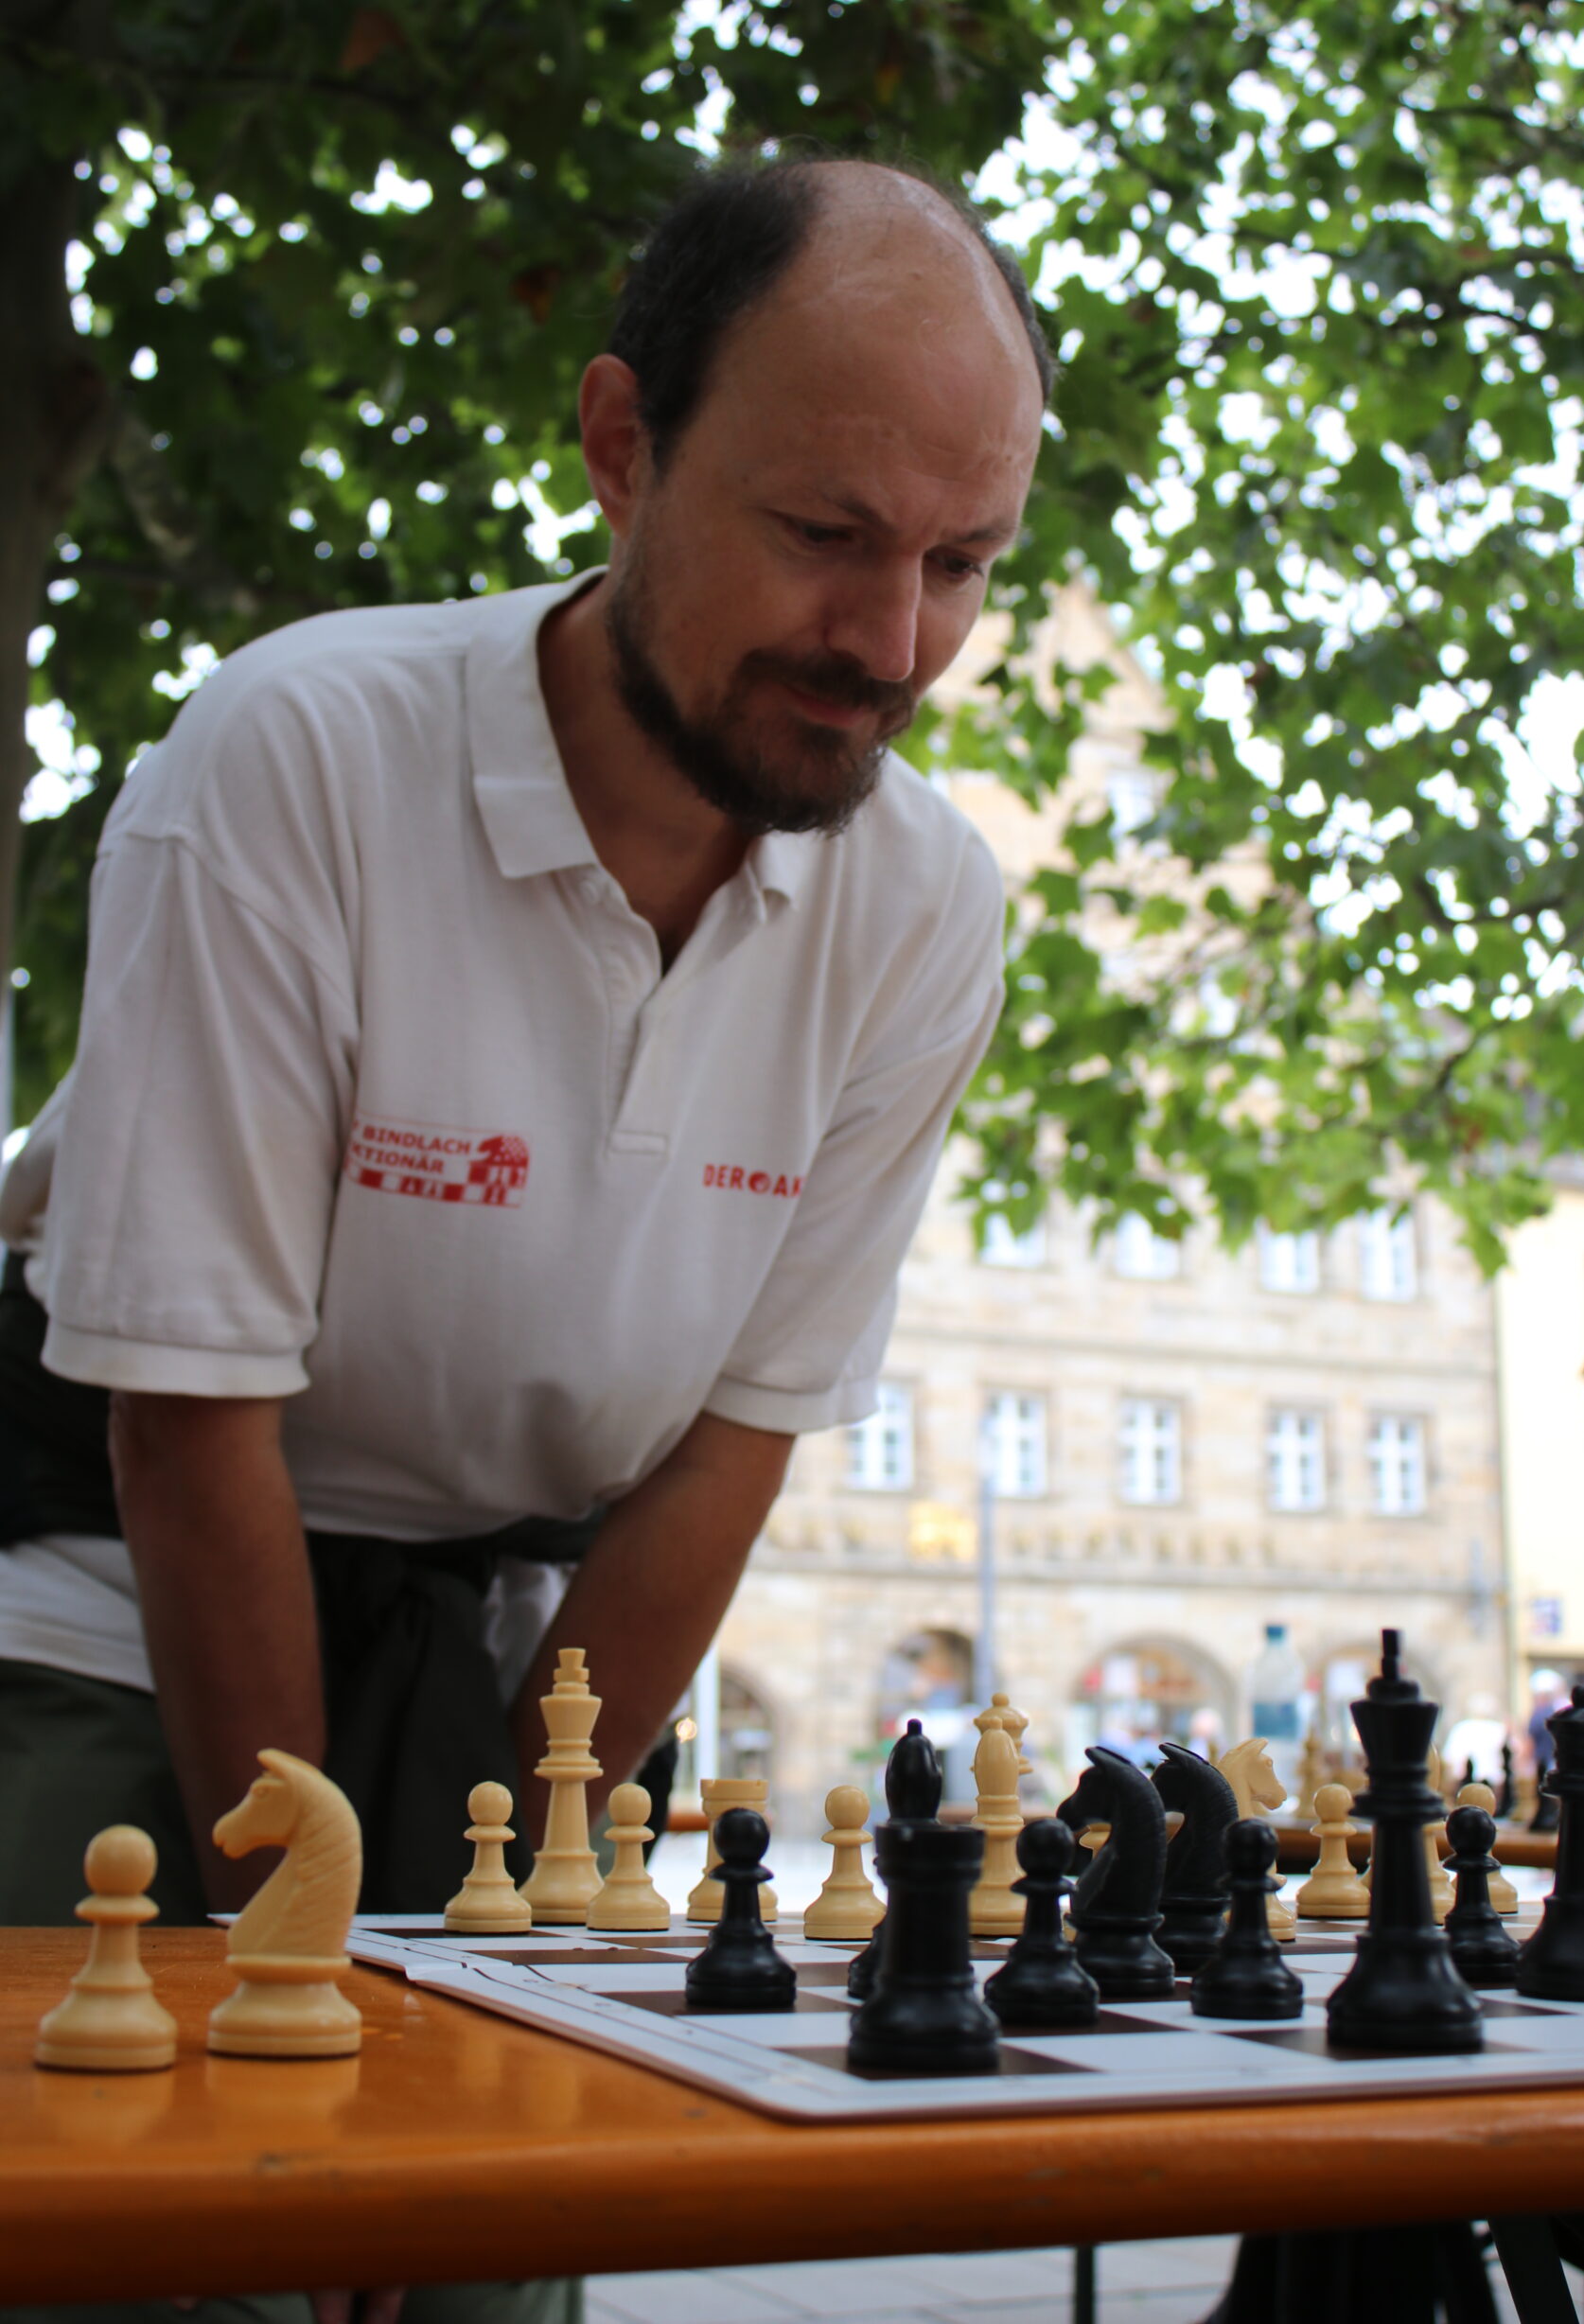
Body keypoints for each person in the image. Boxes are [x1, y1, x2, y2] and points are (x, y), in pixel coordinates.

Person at [0, 153, 1052, 1948]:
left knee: (513, 2103)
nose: (891, 645)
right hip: (109, 1600)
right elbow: (185, 1421)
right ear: (623, 447)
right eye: (824, 534)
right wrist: (315, 1960)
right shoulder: (299, 756)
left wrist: (504, 1925)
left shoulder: (927, 908)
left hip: (520, 1652)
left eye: (959, 565)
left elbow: (729, 1450)